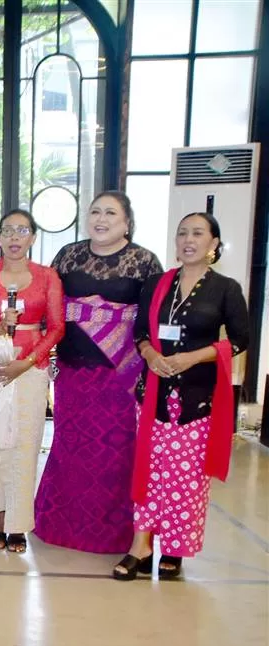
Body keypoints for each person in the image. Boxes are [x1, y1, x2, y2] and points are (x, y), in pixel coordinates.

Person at [113, 213, 249, 580]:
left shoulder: (226, 289)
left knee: (185, 478)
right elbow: (140, 332)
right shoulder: (157, 284)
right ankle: (141, 545)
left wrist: (193, 357)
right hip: (153, 394)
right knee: (149, 470)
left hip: (196, 398)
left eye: (198, 234)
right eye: (182, 233)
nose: (188, 240)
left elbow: (240, 339)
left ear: (213, 243)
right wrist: (150, 355)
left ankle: (174, 548)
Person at [33, 192, 163, 554]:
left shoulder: (144, 261)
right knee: (69, 445)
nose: (101, 219)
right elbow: (49, 309)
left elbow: (152, 319)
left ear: (127, 222)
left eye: (110, 213)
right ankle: (61, 526)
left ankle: (114, 535)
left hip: (120, 375)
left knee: (116, 451)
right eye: (95, 212)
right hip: (73, 371)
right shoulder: (67, 255)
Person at [0, 210, 65, 554]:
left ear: (33, 238)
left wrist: (28, 361)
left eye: (22, 230)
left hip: (30, 369)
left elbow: (57, 327)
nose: (14, 237)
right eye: (7, 230)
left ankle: (19, 524)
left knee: (25, 445)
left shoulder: (47, 277)